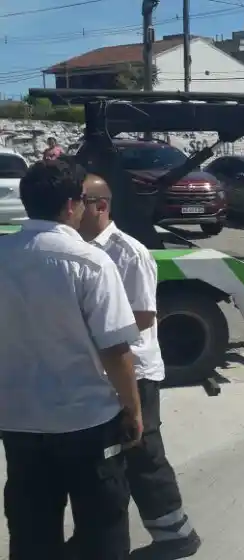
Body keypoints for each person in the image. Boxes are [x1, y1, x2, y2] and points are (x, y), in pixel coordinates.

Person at [0, 158, 142, 560]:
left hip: (19, 422)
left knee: (30, 528)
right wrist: (132, 410)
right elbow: (115, 349)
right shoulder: (91, 261)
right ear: (69, 205)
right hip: (87, 423)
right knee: (102, 527)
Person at [69, 173, 202, 560]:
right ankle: (98, 536)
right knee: (111, 458)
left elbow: (143, 315)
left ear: (101, 205)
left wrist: (94, 337)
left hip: (135, 371)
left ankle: (176, 536)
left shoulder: (129, 252)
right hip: (104, 369)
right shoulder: (81, 249)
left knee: (142, 453)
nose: (73, 208)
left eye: (79, 200)